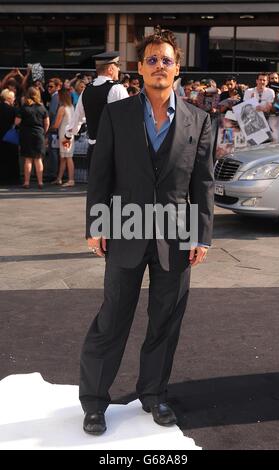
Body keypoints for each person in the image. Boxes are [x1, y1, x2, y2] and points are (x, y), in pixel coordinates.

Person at [80, 28, 214, 435]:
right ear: (140, 68)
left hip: (175, 236)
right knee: (113, 318)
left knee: (164, 321)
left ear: (178, 68)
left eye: (167, 60)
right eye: (152, 59)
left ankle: (153, 395)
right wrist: (96, 225)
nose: (159, 66)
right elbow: (100, 174)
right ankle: (95, 402)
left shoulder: (200, 119)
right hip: (124, 228)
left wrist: (201, 235)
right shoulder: (116, 115)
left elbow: (202, 183)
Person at [62, 51, 129, 172]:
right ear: (110, 69)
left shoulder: (87, 89)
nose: (118, 70)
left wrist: (67, 136)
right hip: (113, 149)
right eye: (117, 67)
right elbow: (127, 121)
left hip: (93, 149)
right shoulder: (117, 89)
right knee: (116, 189)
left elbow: (77, 117)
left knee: (96, 188)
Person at [15, 86, 49, 189]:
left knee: (28, 159)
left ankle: (26, 182)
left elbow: (17, 122)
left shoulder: (24, 108)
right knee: (38, 159)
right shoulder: (42, 108)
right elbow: (47, 123)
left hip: (26, 134)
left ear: (27, 95)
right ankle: (40, 182)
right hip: (39, 134)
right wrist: (43, 132)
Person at [51, 88, 75, 187]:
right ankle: (59, 178)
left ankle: (71, 180)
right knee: (64, 157)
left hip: (64, 136)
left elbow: (56, 124)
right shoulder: (71, 107)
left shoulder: (62, 108)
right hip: (68, 135)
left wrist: (49, 128)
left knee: (67, 157)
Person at [0, 89, 20, 185]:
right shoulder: (13, 109)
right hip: (10, 135)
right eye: (13, 98)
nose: (14, 99)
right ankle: (12, 179)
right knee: (11, 157)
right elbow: (17, 122)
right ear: (9, 98)